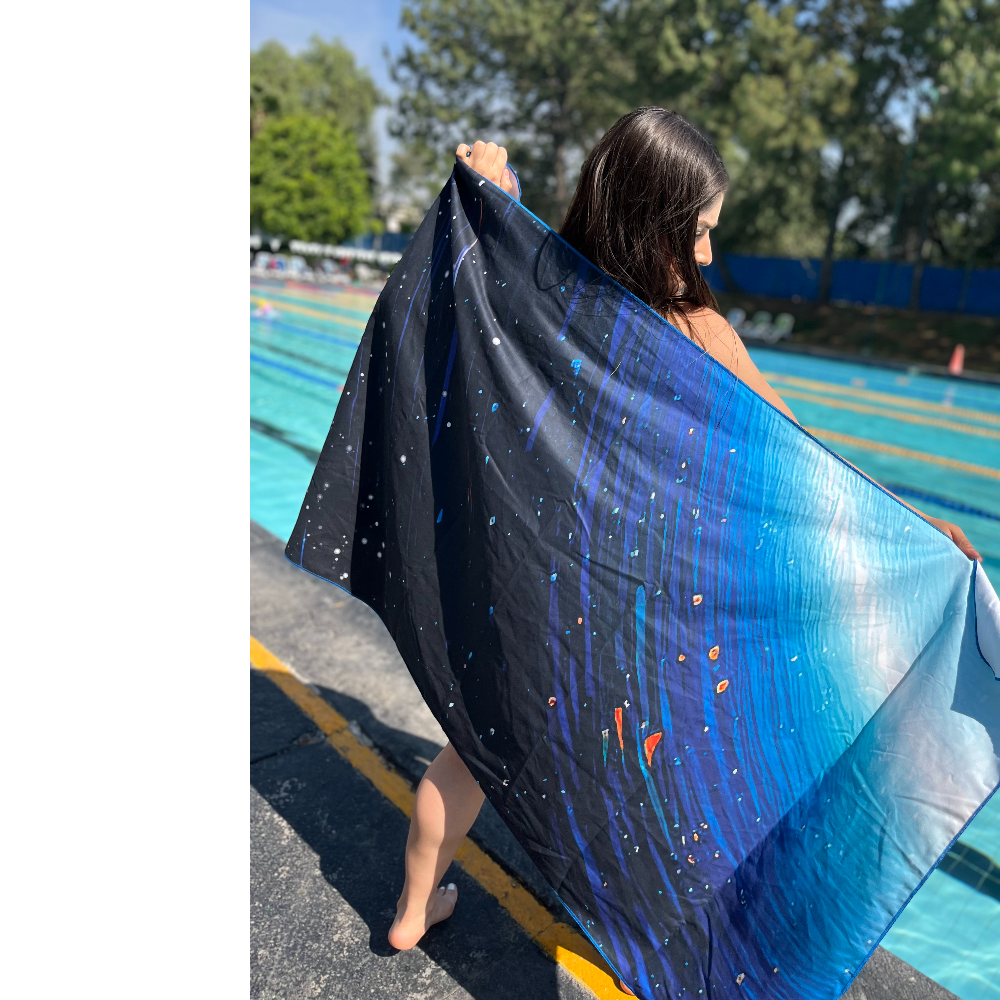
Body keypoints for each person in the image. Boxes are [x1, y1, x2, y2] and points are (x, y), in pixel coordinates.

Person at [386, 108, 980, 960]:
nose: (705, 255)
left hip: (547, 603)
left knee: (471, 755)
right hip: (644, 623)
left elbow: (482, 262)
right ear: (648, 220)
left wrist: (489, 182)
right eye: (696, 231)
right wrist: (914, 524)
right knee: (666, 798)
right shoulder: (699, 335)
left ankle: (412, 912)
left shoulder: (555, 304)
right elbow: (806, 468)